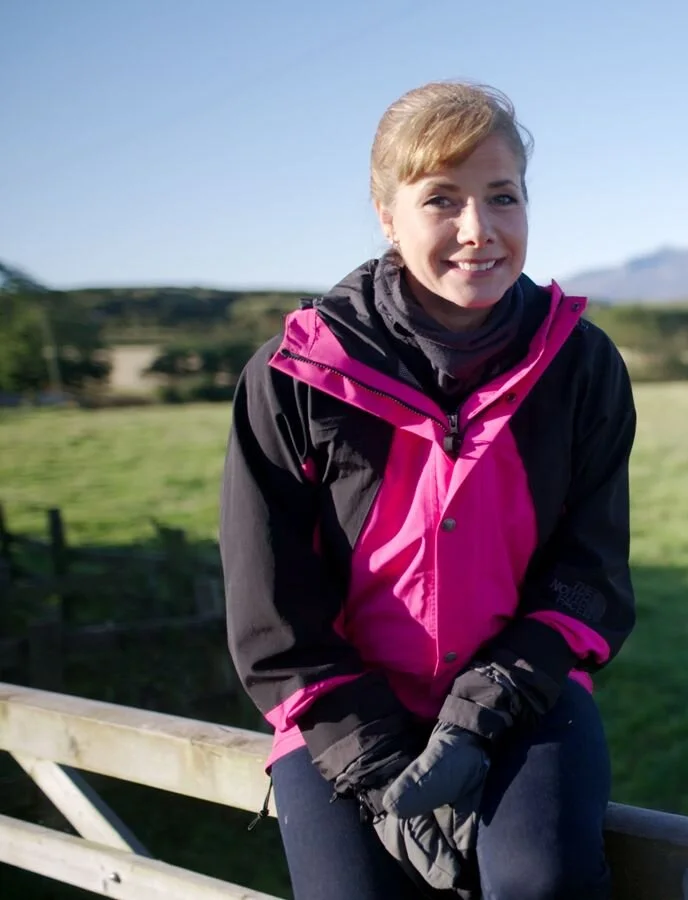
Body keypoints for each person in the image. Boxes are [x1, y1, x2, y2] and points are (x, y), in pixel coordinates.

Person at [218, 81, 637, 900]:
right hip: (339, 712)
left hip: (523, 695)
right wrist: (374, 767)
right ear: (386, 214)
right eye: (441, 199)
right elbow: (271, 609)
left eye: (501, 196)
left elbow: (588, 575)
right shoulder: (294, 375)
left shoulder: (582, 366)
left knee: (541, 884)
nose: (478, 230)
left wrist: (480, 714)